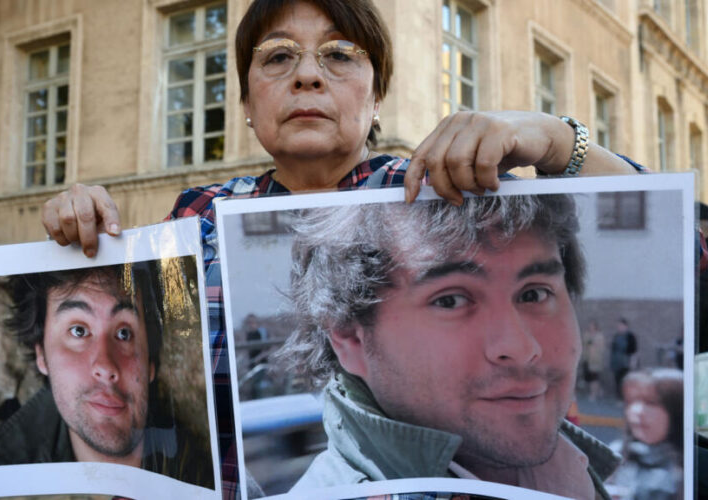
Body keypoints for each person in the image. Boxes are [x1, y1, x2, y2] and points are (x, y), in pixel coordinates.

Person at [40, 1, 643, 494]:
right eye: (278, 57)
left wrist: (558, 140)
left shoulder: (443, 196)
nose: (307, 74)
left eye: (339, 54)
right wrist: (82, 243)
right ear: (247, 105)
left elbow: (694, 251)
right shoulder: (198, 216)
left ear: (376, 97)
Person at [280, 194, 619, 499]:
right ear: (349, 338)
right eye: (451, 300)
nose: (520, 347)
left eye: (534, 293)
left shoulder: (569, 473)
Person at [0, 263, 208, 485]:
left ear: (150, 364)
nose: (106, 368)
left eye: (124, 333)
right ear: (42, 355)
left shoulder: (213, 474)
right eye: (78, 331)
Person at [606, 369, 684, 500]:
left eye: (651, 403)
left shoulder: (692, 469)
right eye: (631, 402)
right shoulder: (615, 454)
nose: (637, 411)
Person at [610, 317, 638, 399]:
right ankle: (619, 398)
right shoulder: (616, 336)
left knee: (625, 381)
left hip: (626, 362)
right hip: (617, 362)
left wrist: (633, 362)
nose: (619, 327)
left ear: (626, 326)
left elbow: (634, 350)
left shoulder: (630, 336)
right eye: (618, 326)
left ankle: (625, 398)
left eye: (620, 325)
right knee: (617, 380)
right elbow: (613, 350)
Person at [582, 320, 606, 401]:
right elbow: (584, 345)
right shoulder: (586, 335)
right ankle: (599, 390)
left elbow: (601, 348)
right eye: (590, 325)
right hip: (587, 359)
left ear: (596, 327)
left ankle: (593, 394)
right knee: (589, 378)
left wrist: (594, 347)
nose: (590, 327)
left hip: (595, 360)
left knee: (594, 378)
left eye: (592, 326)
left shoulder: (600, 336)